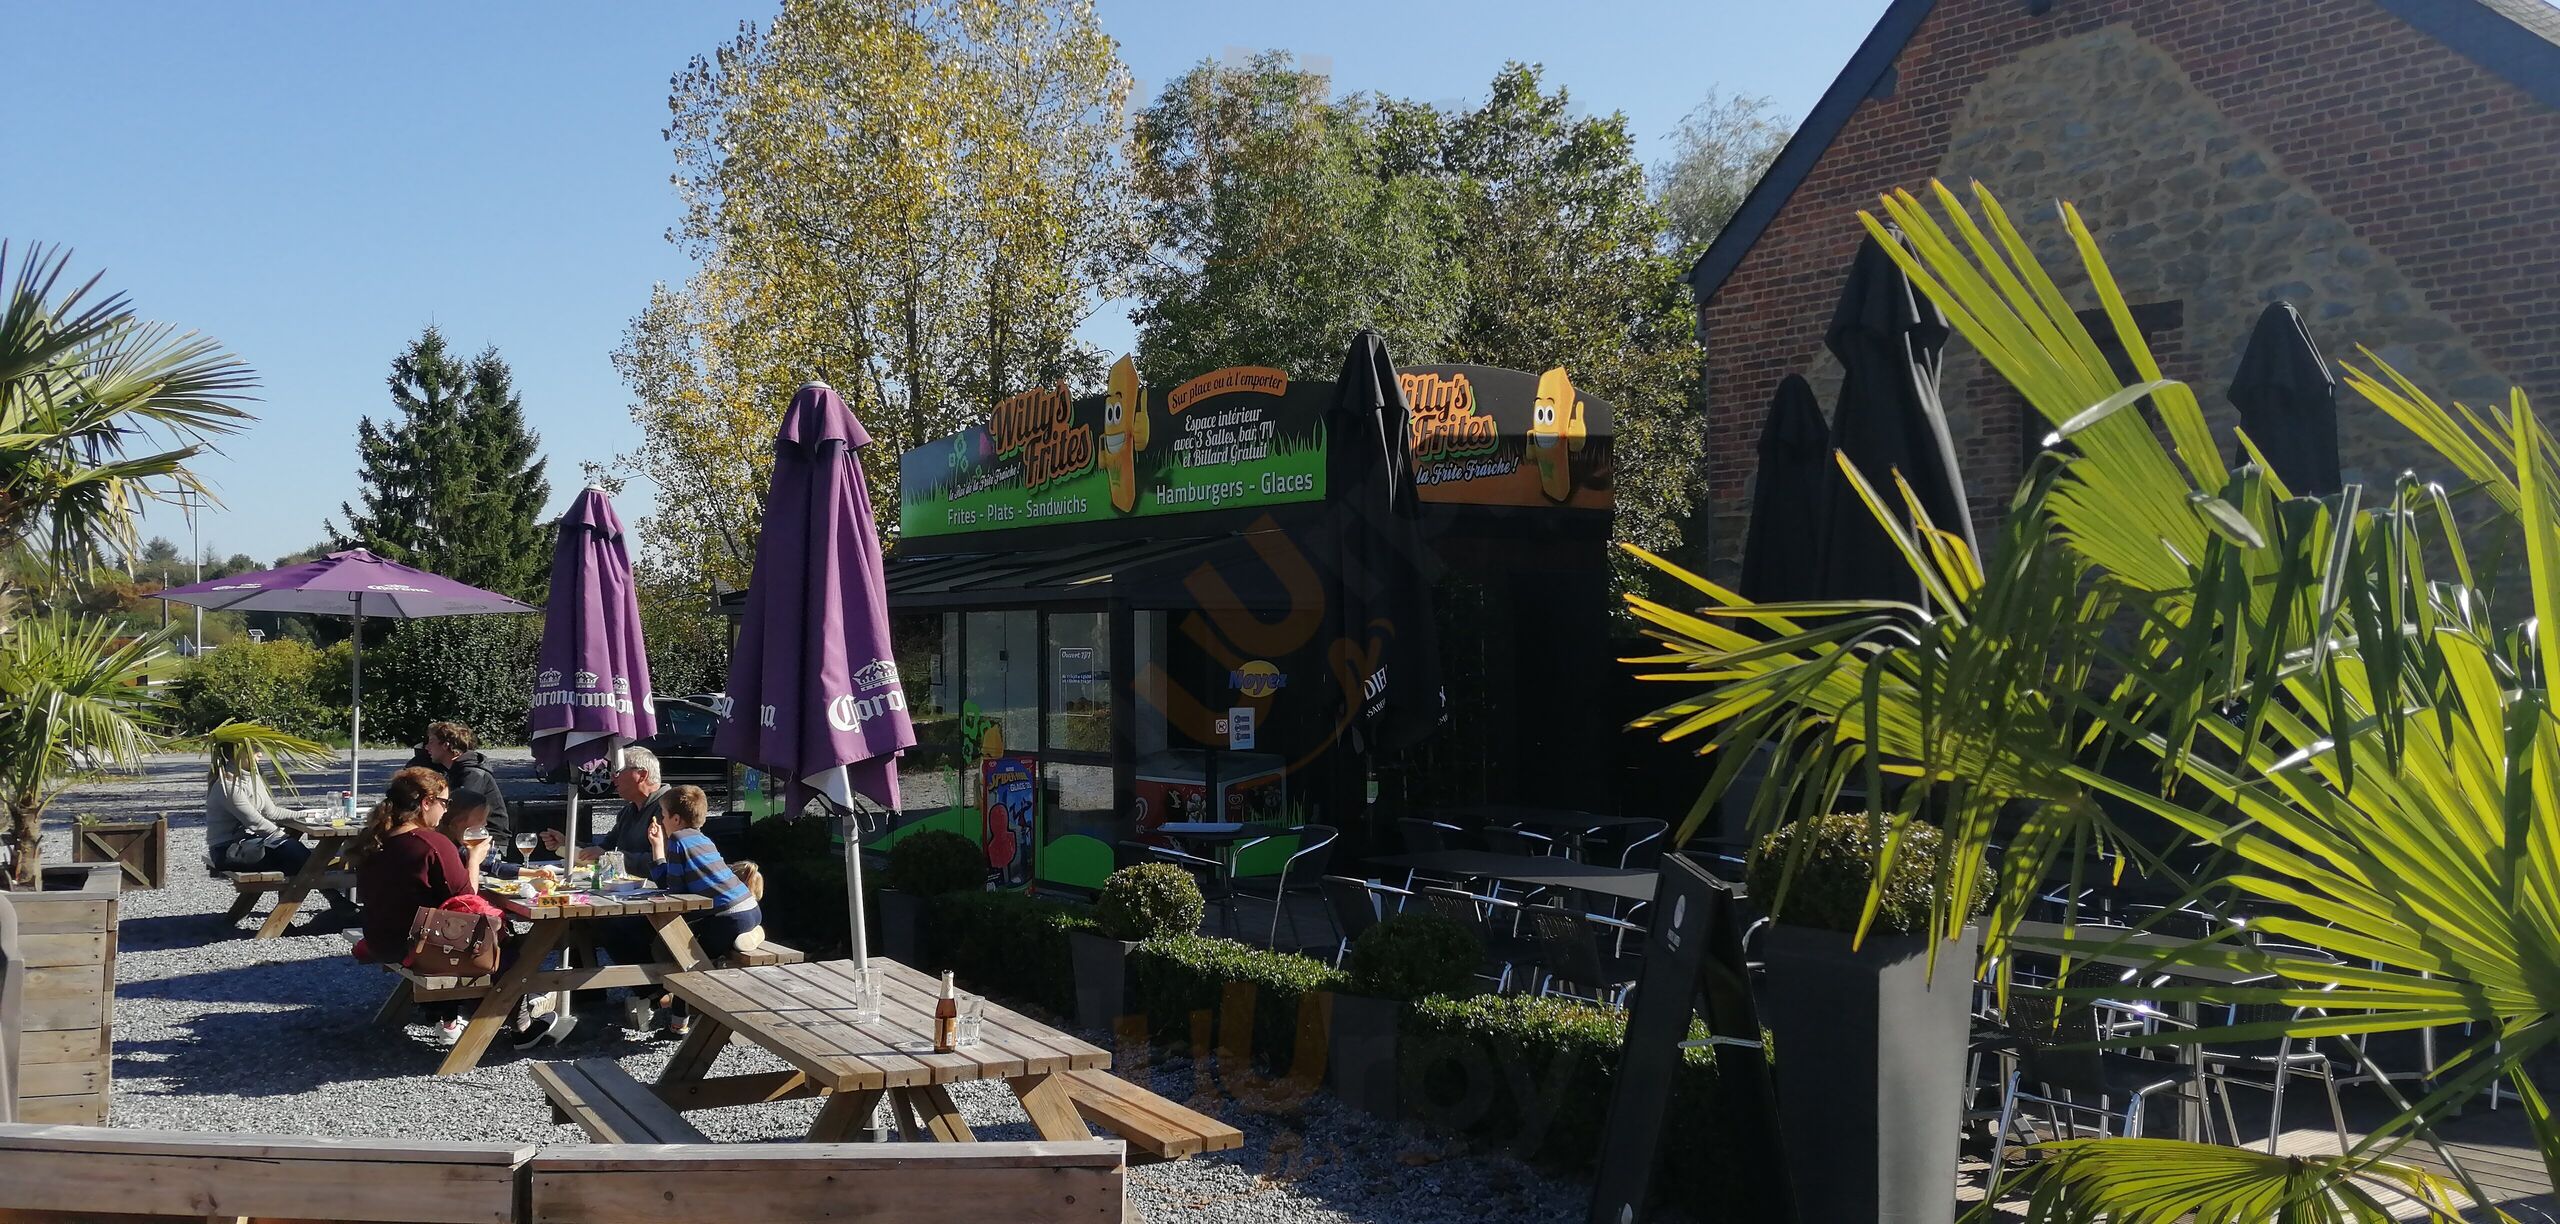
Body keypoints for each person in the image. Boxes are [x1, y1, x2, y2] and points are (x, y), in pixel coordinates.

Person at [349, 767, 483, 1044]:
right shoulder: (431, 843)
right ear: (426, 802)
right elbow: (469, 902)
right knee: (510, 950)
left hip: (381, 937)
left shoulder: (376, 837)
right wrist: (475, 860)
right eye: (444, 803)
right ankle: (519, 1024)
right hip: (416, 948)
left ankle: (446, 1012)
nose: (446, 811)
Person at [644, 785, 763, 1037]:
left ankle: (679, 1025)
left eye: (664, 815)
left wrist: (659, 852)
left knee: (686, 959)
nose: (662, 821)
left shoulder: (678, 840)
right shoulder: (703, 839)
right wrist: (658, 847)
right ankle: (750, 935)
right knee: (695, 947)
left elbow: (674, 890)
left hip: (728, 916)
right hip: (749, 908)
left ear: (676, 819)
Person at [204, 744, 353, 915]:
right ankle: (333, 901)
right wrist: (282, 838)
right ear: (237, 754)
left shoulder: (253, 777)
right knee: (295, 855)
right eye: (255, 750)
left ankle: (318, 906)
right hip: (228, 851)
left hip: (248, 845)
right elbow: (255, 822)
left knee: (294, 857)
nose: (260, 754)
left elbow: (272, 812)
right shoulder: (227, 786)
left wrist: (307, 815)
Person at [542, 746, 666, 874]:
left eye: (617, 771)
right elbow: (603, 848)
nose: (612, 777)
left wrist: (607, 857)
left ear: (642, 775)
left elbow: (662, 859)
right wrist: (567, 845)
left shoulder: (669, 807)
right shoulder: (628, 811)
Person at [425, 721, 511, 849]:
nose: (427, 747)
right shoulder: (457, 770)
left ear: (445, 745)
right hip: (468, 836)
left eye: (431, 742)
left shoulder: (472, 773)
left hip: (487, 841)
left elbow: (460, 810)